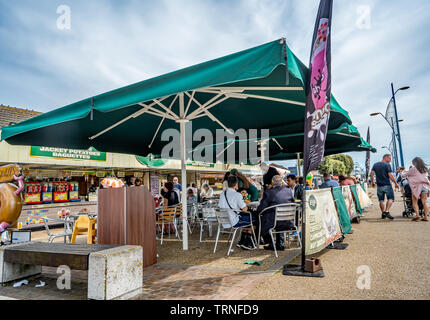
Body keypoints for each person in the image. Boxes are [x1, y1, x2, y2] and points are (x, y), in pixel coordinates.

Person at [257, 175, 295, 251]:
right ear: (281, 183)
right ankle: (279, 243)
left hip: (275, 222)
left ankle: (271, 243)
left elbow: (261, 209)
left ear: (272, 183)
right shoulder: (288, 191)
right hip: (289, 221)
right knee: (274, 217)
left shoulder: (268, 193)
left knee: (261, 218)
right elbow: (293, 203)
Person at [219, 175, 255, 250]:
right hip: (234, 221)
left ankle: (242, 241)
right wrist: (248, 206)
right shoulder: (237, 194)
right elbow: (244, 209)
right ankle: (247, 243)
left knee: (246, 219)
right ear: (236, 184)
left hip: (224, 221)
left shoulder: (222, 194)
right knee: (254, 219)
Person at [370, 154, 400, 220]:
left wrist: (372, 182)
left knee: (381, 200)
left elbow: (371, 173)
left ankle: (383, 213)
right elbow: (390, 175)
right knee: (391, 198)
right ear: (385, 157)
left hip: (379, 186)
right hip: (387, 184)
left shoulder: (375, 164)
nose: (390, 160)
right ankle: (386, 211)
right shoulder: (387, 165)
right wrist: (396, 183)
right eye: (389, 158)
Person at [401, 157, 430, 222]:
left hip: (416, 187)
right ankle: (425, 216)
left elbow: (404, 175)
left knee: (414, 202)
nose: (413, 164)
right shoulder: (425, 169)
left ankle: (417, 215)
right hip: (424, 186)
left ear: (415, 162)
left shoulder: (413, 169)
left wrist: (402, 172)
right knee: (425, 202)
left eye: (413, 162)